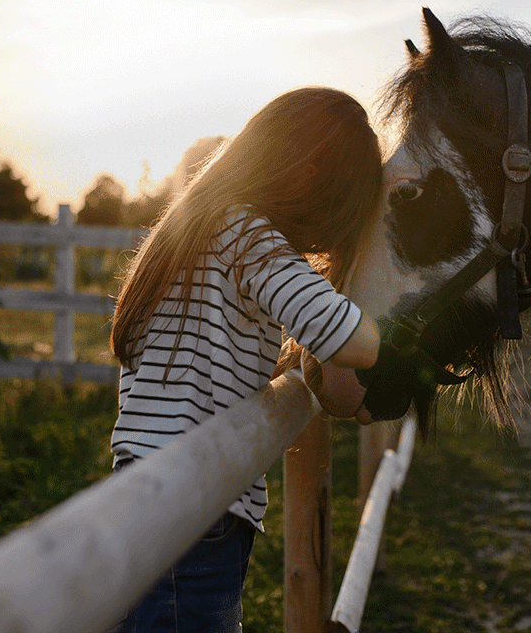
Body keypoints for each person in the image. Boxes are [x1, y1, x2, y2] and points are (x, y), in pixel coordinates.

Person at [109, 86, 386, 632]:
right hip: (195, 507)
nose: (329, 234)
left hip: (142, 494)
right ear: (307, 176)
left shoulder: (195, 226)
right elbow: (348, 339)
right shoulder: (247, 234)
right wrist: (387, 326)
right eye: (340, 208)